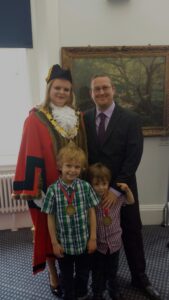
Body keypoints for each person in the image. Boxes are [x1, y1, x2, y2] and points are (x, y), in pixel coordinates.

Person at [84, 74, 161, 300]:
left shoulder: (130, 118)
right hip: (94, 192)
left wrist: (116, 190)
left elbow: (134, 155)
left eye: (105, 88)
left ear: (113, 89)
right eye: (96, 89)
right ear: (91, 93)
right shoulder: (85, 119)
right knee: (97, 234)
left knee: (131, 232)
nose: (101, 92)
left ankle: (140, 277)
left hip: (123, 188)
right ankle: (101, 281)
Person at [12, 64, 87, 296]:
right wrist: (36, 191)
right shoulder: (36, 118)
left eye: (66, 89)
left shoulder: (77, 117)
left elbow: (85, 150)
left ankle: (74, 274)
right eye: (57, 88)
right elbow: (30, 152)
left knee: (73, 229)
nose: (62, 93)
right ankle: (54, 274)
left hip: (75, 186)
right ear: (49, 89)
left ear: (71, 91)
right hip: (48, 189)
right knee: (49, 231)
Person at [41, 144, 99, 300]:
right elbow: (50, 217)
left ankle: (81, 293)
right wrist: (54, 243)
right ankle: (69, 295)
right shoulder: (53, 190)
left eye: (77, 167)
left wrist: (93, 238)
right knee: (66, 276)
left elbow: (92, 212)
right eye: (68, 165)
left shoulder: (85, 187)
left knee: (83, 274)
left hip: (83, 242)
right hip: (64, 245)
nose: (72, 170)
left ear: (82, 168)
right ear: (60, 166)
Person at [88, 162, 134, 300]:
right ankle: (97, 291)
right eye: (96, 184)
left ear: (108, 183)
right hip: (99, 244)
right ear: (90, 184)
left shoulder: (116, 198)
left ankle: (113, 288)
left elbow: (131, 201)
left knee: (113, 270)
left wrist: (127, 190)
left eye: (104, 183)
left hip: (114, 243)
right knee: (97, 271)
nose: (101, 187)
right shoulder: (90, 200)